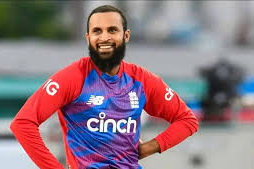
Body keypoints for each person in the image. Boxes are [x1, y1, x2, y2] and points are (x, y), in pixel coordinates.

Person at [10, 5, 199, 169]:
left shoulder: (141, 79)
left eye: (112, 30)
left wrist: (149, 148)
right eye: (97, 31)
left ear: (126, 36)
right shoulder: (73, 77)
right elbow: (23, 123)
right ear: (88, 37)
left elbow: (187, 120)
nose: (104, 37)